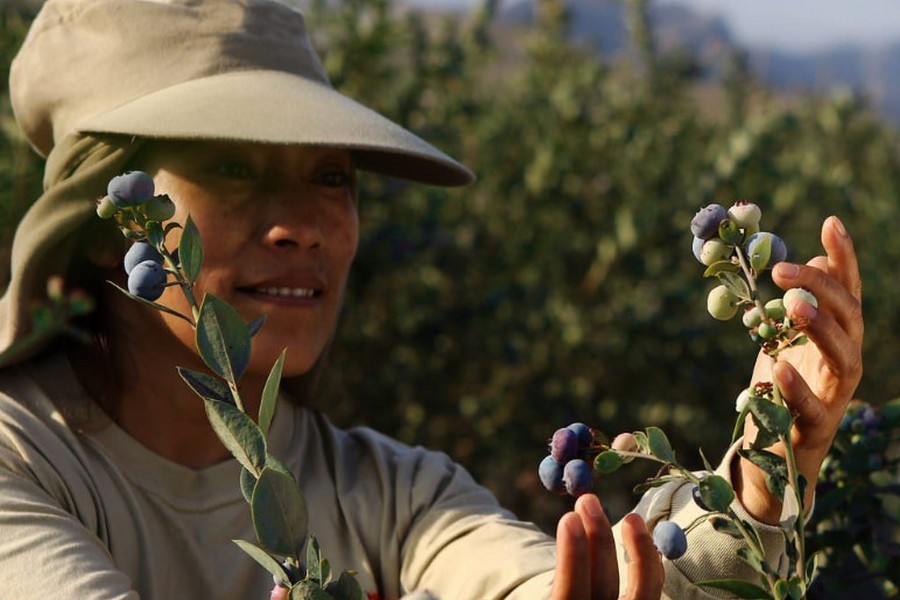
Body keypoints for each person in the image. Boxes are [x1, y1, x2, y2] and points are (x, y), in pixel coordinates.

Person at [0, 1, 863, 599]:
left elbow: (576, 583)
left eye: (330, 175)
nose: (303, 224)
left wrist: (759, 475)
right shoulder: (20, 462)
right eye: (232, 167)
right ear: (105, 222)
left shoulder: (384, 491)